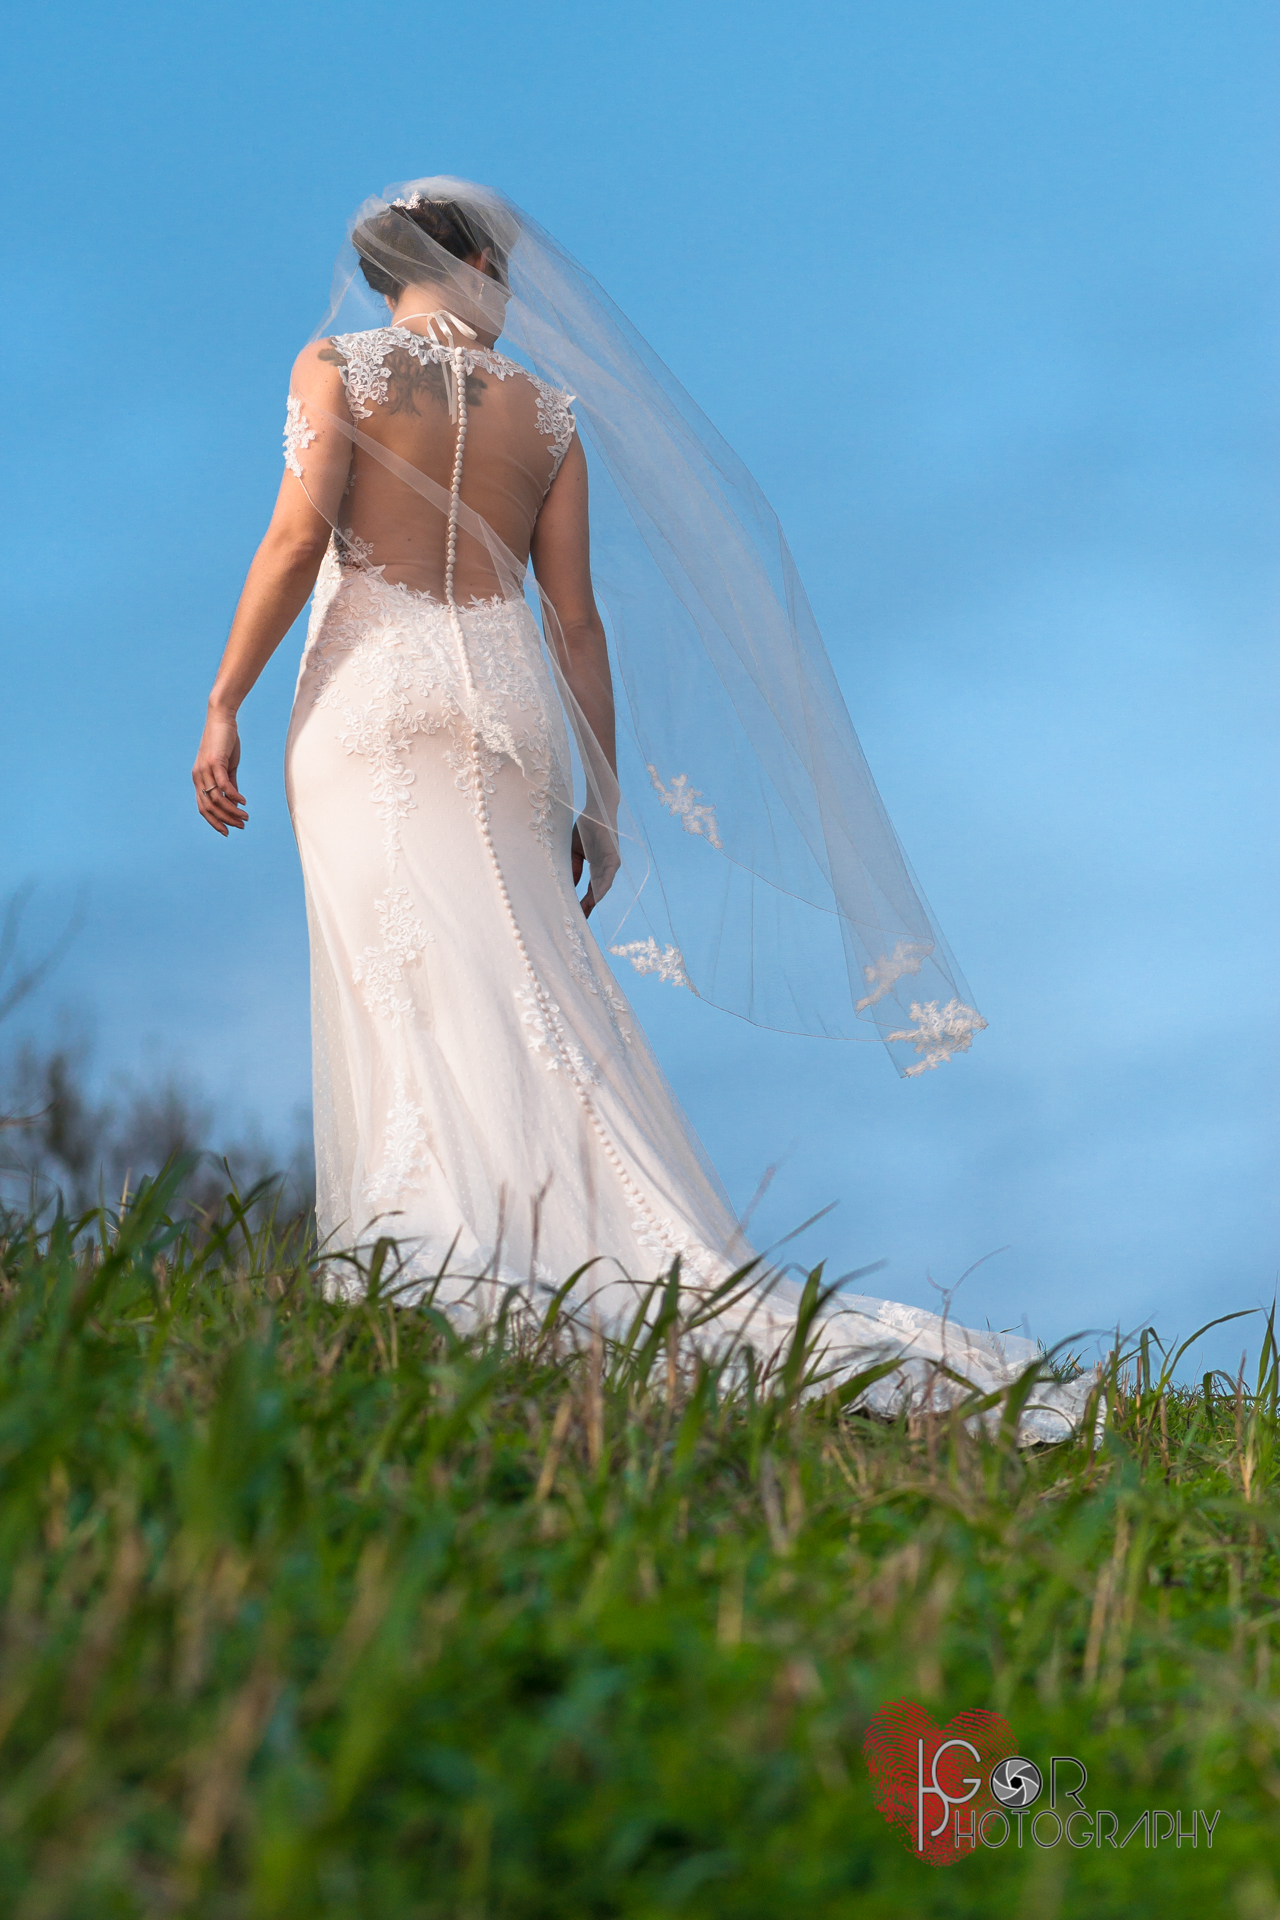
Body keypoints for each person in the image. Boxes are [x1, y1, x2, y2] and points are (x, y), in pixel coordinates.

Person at [192, 178, 1091, 1438]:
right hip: (509, 712)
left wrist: (226, 698)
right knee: (528, 979)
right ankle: (583, 1236)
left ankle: (430, 1242)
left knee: (406, 974)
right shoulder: (546, 415)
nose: (509, 286)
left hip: (371, 697)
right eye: (497, 264)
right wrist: (603, 805)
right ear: (466, 264)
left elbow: (296, 541)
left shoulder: (336, 362)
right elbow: (574, 621)